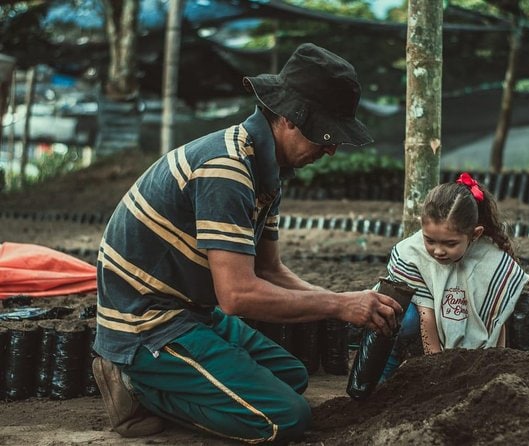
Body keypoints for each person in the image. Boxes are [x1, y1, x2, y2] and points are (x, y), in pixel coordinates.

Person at [92, 43, 403, 443]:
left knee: (291, 377)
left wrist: (344, 302)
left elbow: (269, 269)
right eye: (325, 134)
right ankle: (137, 388)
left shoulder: (265, 169)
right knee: (284, 418)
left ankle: (171, 380)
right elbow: (237, 295)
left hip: (190, 312)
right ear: (290, 118)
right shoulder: (226, 169)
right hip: (148, 324)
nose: (330, 148)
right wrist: (341, 305)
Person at [380, 173, 529, 380]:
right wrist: (437, 368)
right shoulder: (412, 254)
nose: (438, 251)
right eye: (430, 241)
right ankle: (386, 371)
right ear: (421, 225)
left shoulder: (490, 259)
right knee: (405, 317)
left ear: (475, 235)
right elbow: (427, 315)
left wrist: (495, 361)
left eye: (450, 244)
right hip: (414, 325)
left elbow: (496, 316)